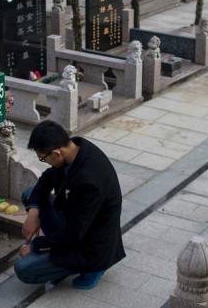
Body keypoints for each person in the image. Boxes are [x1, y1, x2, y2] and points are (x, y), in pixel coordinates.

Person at [13, 120, 125, 289]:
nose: (45, 162)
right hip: (77, 222)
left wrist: (36, 245)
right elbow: (47, 178)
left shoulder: (89, 182)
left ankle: (93, 267)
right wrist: (33, 211)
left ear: (56, 153)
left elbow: (73, 235)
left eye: (43, 158)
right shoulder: (75, 150)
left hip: (91, 244)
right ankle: (57, 257)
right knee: (31, 195)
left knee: (23, 269)